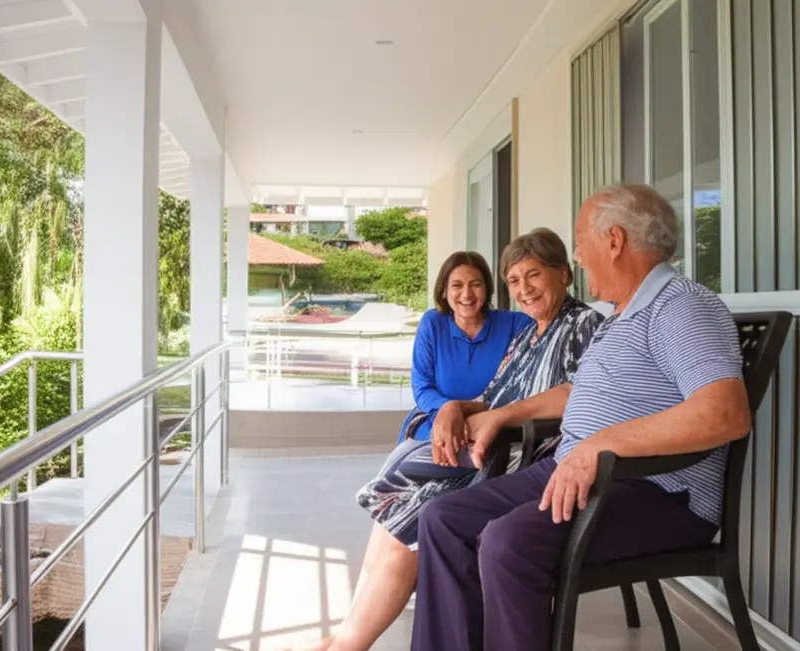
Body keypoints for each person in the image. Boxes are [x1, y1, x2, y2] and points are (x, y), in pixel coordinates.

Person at [410, 184, 753, 651]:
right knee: (442, 519)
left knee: (508, 544)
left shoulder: (680, 305)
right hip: (579, 470)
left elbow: (725, 413)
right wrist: (502, 413)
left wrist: (598, 445)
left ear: (613, 240)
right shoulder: (618, 315)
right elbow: (575, 393)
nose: (576, 254)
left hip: (659, 490)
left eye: (580, 240)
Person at [304, 231, 603, 651]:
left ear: (566, 274)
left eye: (533, 275)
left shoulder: (583, 324)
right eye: (515, 280)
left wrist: (494, 416)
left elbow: (579, 394)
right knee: (401, 509)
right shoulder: (527, 334)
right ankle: (349, 637)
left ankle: (349, 642)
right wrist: (454, 409)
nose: (524, 289)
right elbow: (489, 395)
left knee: (410, 508)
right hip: (488, 447)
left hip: (519, 458)